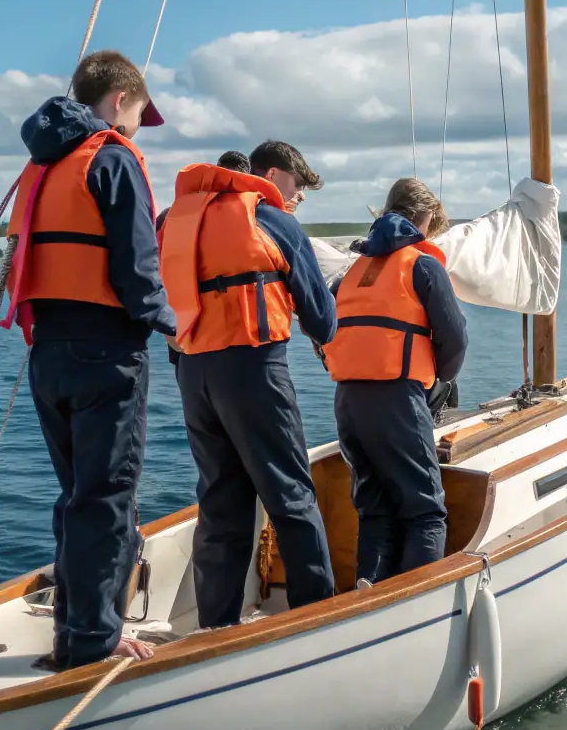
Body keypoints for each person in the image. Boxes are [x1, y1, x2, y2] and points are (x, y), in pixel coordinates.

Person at [4, 49, 175, 669]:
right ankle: (95, 646)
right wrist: (173, 329)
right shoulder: (111, 157)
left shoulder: (43, 165)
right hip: (106, 352)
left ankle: (72, 636)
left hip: (48, 352)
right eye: (136, 114)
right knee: (105, 501)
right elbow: (136, 269)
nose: (134, 128)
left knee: (79, 496)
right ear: (119, 100)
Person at [159, 141, 336, 628]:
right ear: (275, 176)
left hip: (193, 375)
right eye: (297, 188)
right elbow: (322, 320)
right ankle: (315, 617)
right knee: (290, 495)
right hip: (255, 370)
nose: (296, 199)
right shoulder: (274, 221)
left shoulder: (172, 221)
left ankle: (216, 626)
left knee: (220, 501)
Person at [323, 178, 468, 585]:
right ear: (425, 218)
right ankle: (414, 607)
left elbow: (328, 331)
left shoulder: (353, 271)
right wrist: (440, 382)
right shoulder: (422, 265)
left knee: (375, 509)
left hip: (348, 400)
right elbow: (454, 338)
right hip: (398, 400)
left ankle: (369, 592)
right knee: (425, 512)